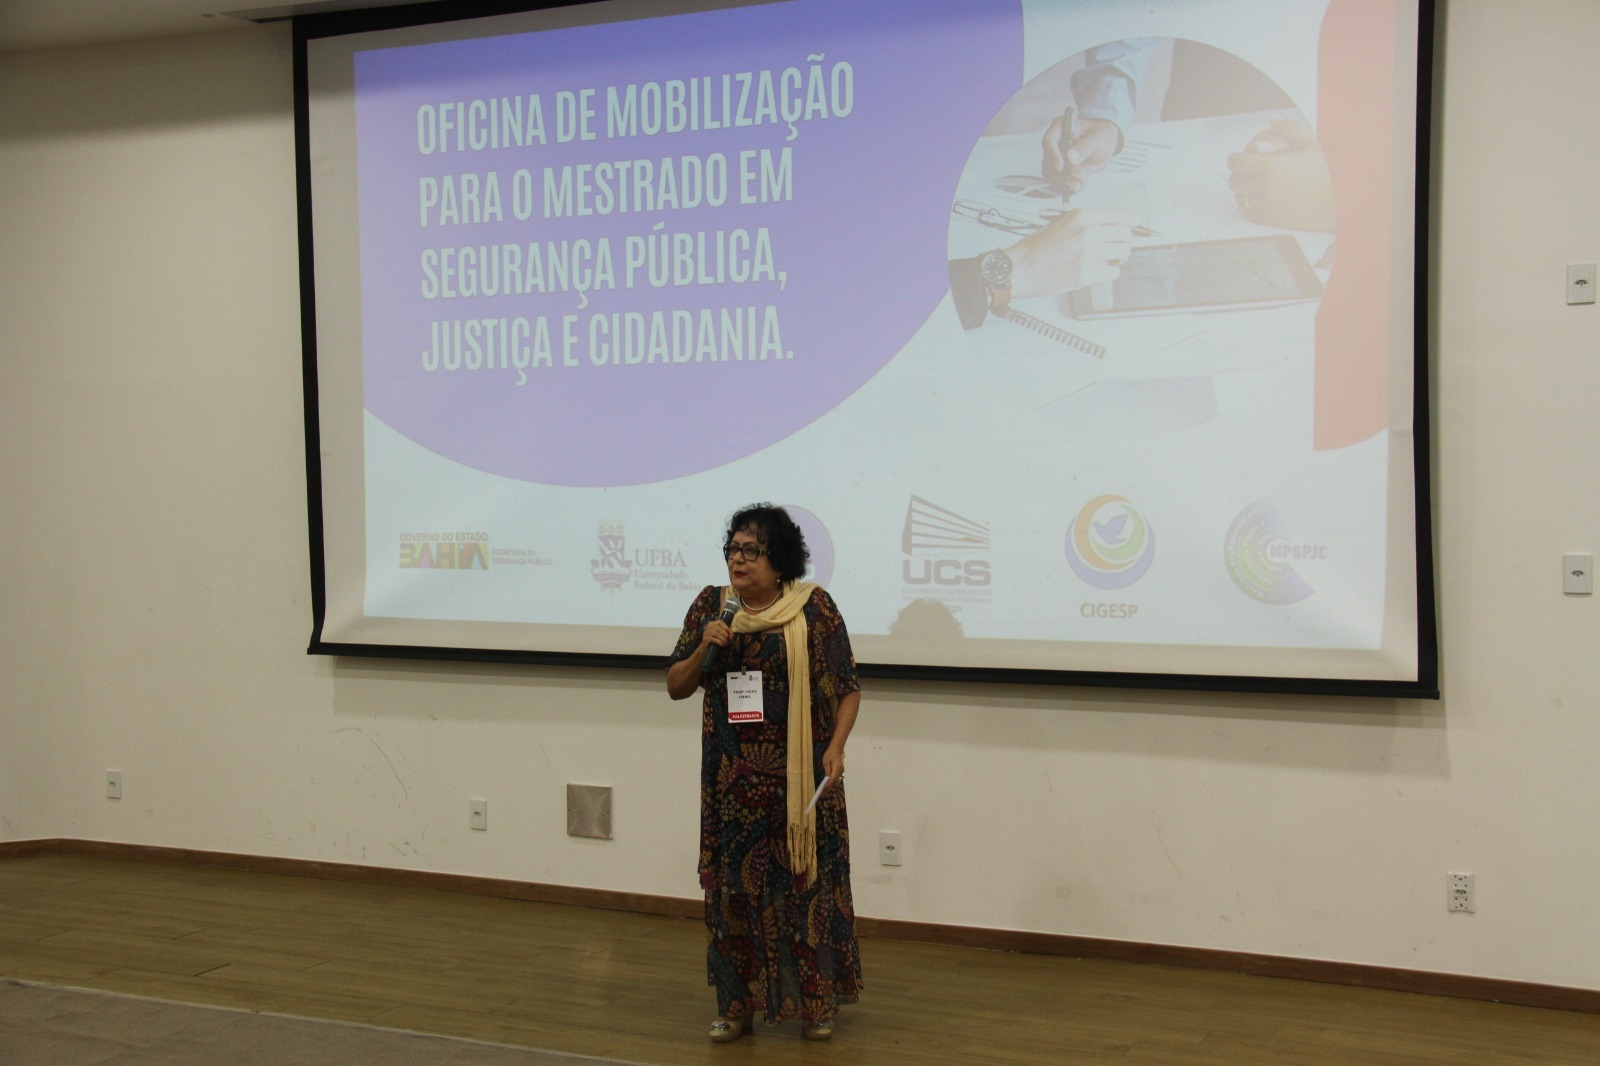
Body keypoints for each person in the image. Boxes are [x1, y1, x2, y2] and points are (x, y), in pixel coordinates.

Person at [665, 503, 863, 1043]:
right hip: (732, 786)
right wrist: (704, 646)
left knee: (805, 893)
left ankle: (816, 1004)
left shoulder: (813, 608)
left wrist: (837, 748)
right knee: (734, 897)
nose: (738, 559)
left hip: (801, 783)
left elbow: (847, 687)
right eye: (732, 549)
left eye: (751, 550)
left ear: (780, 560)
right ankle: (736, 1006)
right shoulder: (712, 608)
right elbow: (676, 685)